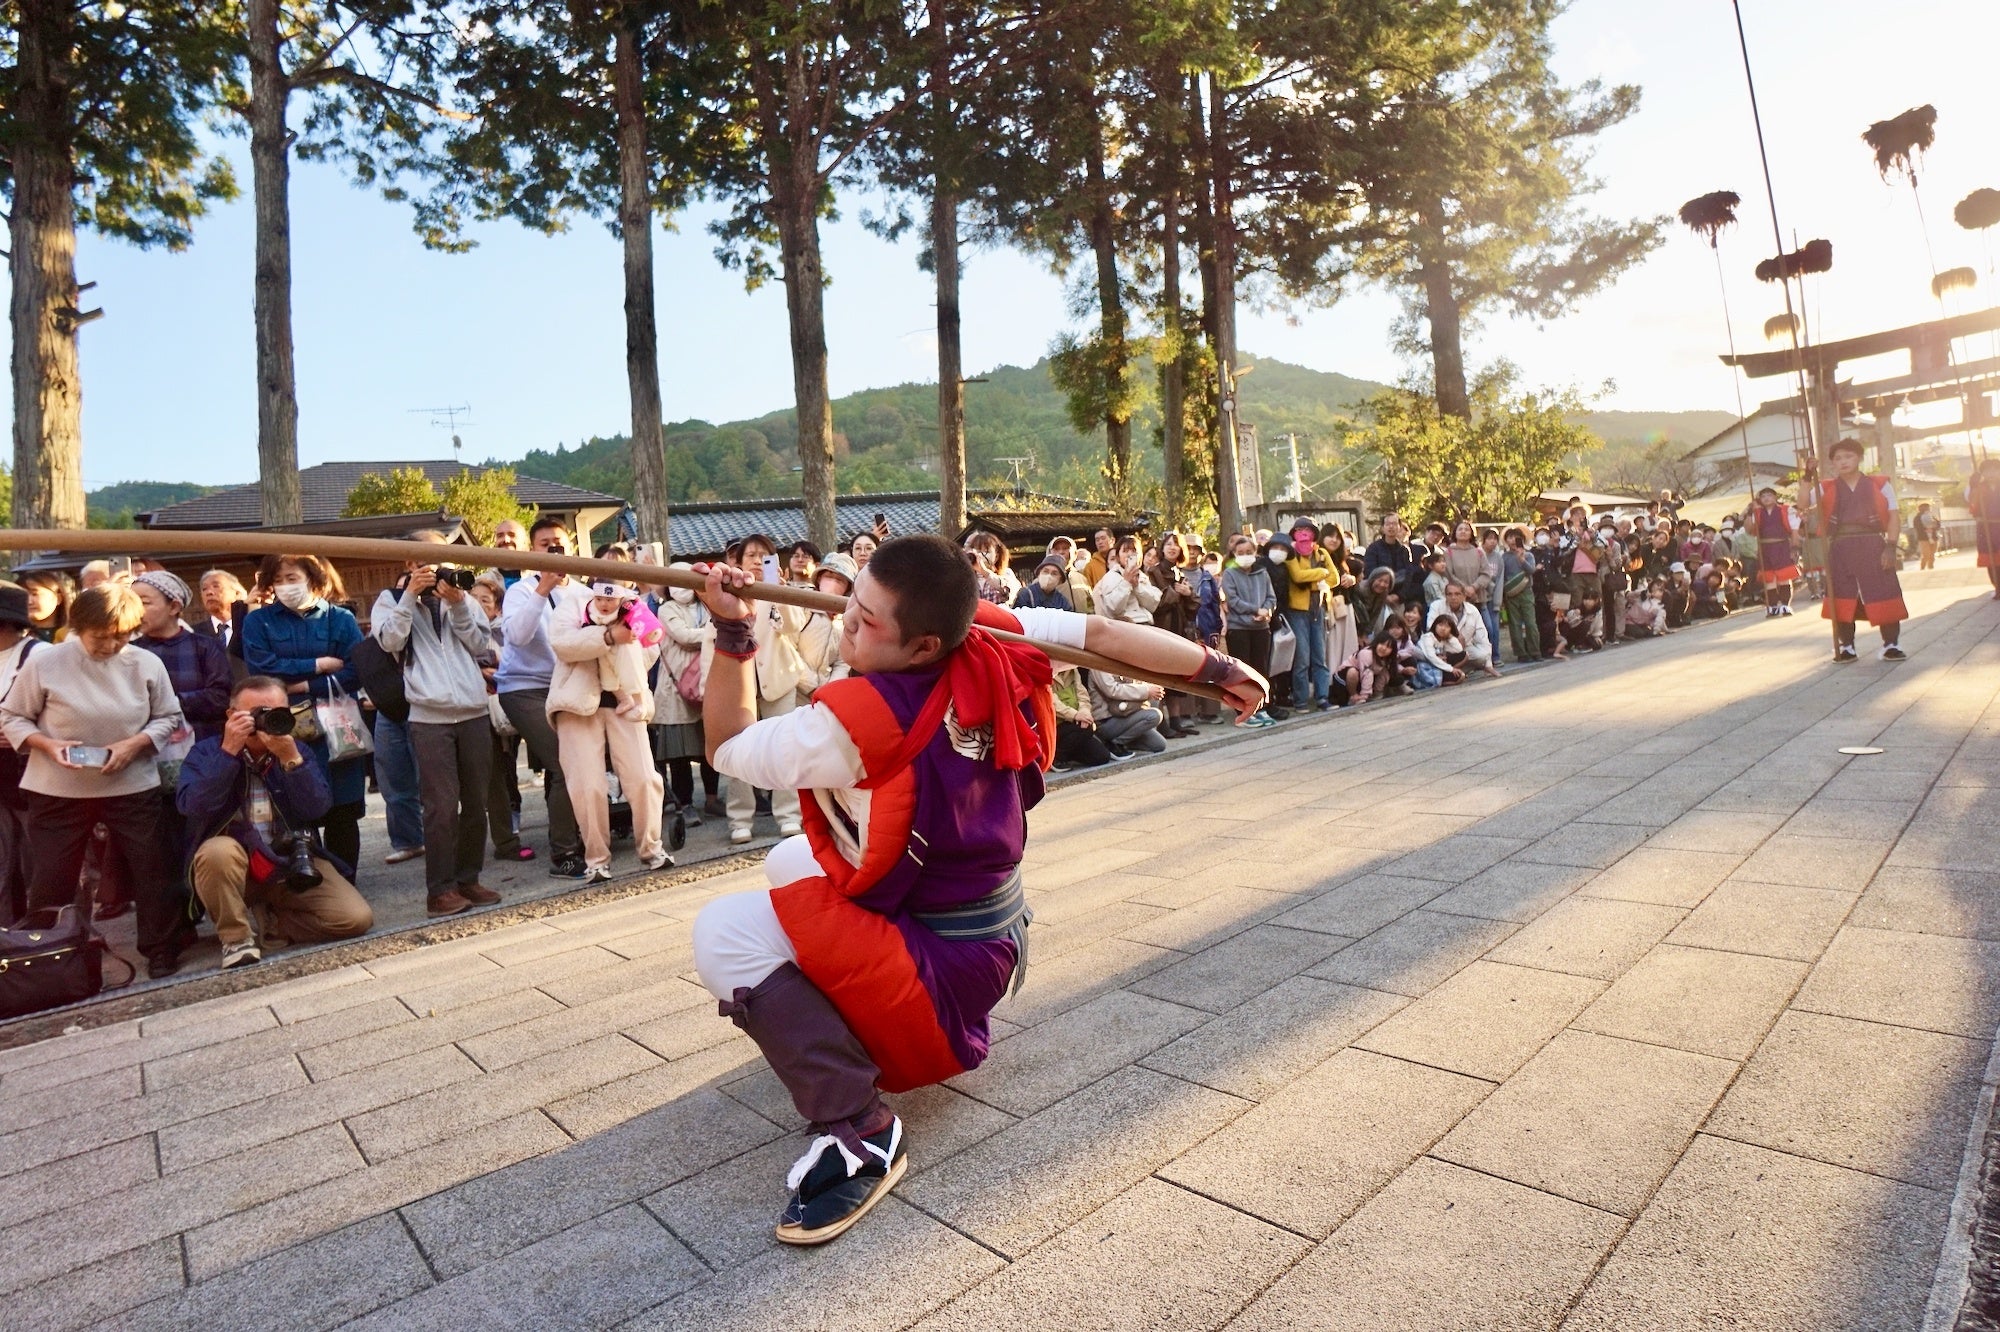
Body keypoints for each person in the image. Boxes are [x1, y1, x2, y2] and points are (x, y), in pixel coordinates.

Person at [686, 534, 1264, 1243]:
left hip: (938, 978)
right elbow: (1105, 635)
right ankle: (837, 1031)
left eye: (867, 621)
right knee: (788, 860)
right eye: (851, 603)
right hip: (992, 937)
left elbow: (725, 742)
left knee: (724, 933)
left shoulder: (849, 726)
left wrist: (732, 631)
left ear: (925, 645)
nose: (845, 624)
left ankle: (860, 1130)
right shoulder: (995, 636)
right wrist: (1219, 666)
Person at [0, 585, 192, 977]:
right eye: (100, 637)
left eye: (121, 636)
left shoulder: (145, 662)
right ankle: (48, 955)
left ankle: (161, 947)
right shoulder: (45, 661)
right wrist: (47, 744)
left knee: (152, 867)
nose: (111, 645)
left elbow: (168, 716)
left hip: (130, 780)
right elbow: (13, 716)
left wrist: (134, 744)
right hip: (58, 785)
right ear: (79, 627)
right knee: (52, 875)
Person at [177, 676, 374, 969]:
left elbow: (317, 809)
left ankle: (271, 924)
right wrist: (228, 753)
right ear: (231, 715)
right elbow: (193, 807)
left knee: (355, 919)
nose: (266, 720)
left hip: (288, 863)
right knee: (217, 852)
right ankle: (236, 938)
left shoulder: (295, 750)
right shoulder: (206, 752)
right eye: (257, 713)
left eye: (277, 712)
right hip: (235, 868)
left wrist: (292, 761)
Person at [374, 531, 504, 915]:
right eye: (425, 559)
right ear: (410, 563)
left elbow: (480, 646)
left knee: (476, 802)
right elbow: (390, 641)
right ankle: (440, 890)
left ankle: (468, 879)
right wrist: (410, 596)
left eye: (442, 557)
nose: (436, 566)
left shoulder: (463, 596)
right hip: (429, 717)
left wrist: (459, 604)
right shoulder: (391, 599)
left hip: (473, 711)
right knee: (441, 806)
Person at [242, 554, 367, 876]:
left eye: (292, 578)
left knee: (343, 811)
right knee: (295, 808)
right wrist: (318, 664)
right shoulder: (258, 621)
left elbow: (356, 671)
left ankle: (346, 882)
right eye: (278, 580)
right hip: (284, 727)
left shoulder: (340, 618)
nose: (285, 586)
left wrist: (302, 684)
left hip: (337, 727)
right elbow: (261, 668)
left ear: (313, 579)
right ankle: (306, 880)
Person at [547, 578, 671, 885]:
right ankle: (596, 860)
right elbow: (562, 644)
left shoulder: (634, 606)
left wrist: (625, 642)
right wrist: (608, 635)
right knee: (587, 786)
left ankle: (652, 848)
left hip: (626, 702)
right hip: (577, 703)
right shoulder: (574, 603)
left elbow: (651, 648)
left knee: (644, 777)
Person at [498, 516, 588, 878]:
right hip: (523, 688)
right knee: (564, 762)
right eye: (544, 544)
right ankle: (564, 853)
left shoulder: (582, 591)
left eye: (558, 543)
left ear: (571, 548)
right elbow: (517, 637)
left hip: (568, 686)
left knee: (575, 762)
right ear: (531, 550)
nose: (552, 549)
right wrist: (542, 588)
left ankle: (582, 837)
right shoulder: (521, 591)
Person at [726, 534, 806, 845]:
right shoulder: (728, 592)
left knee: (784, 749)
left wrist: (779, 591)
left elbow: (793, 626)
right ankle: (739, 819)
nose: (758, 561)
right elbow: (711, 640)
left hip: (778, 679)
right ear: (739, 562)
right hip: (740, 683)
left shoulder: (779, 590)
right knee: (739, 751)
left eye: (764, 556)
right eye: (751, 555)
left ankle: (789, 815)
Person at [1820, 438, 1908, 663]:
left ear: (1859, 457)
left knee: (1884, 590)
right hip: (1840, 546)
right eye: (1838, 458)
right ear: (1832, 463)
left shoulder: (1880, 484)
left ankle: (1891, 644)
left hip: (1873, 543)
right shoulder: (1826, 487)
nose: (1843, 461)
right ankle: (1847, 646)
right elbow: (1802, 503)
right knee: (1841, 594)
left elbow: (1894, 516)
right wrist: (1806, 477)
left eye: (1848, 456)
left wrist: (1891, 546)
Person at [469, 577, 534, 865]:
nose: (477, 604)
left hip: (513, 703)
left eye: (485, 600)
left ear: (497, 607)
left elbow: (518, 661)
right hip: (475, 711)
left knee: (512, 770)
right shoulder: (460, 627)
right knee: (493, 777)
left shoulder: (507, 630)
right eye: (473, 598)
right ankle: (504, 840)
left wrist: (495, 669)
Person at [654, 562, 720, 823]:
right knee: (679, 754)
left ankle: (713, 799)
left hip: (707, 681)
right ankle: (685, 804)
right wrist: (712, 632)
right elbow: (683, 636)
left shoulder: (706, 604)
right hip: (675, 689)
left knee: (709, 748)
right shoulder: (666, 609)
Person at [131, 572, 233, 743]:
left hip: (200, 745)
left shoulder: (205, 647)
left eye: (145, 603)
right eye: (131, 603)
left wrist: (170, 703)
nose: (136, 610)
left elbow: (220, 697)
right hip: (144, 746)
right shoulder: (130, 651)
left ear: (174, 607)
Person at [0, 584, 39, 921]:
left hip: (33, 776)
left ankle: (53, 937)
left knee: (39, 864)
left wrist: (21, 733)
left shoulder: (39, 655)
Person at [1143, 533, 1200, 737]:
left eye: (1176, 544)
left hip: (1180, 629)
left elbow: (1193, 607)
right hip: (1161, 629)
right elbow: (1155, 603)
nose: (1172, 547)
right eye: (1168, 544)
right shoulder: (1153, 572)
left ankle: (1176, 721)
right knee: (1161, 676)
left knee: (1177, 677)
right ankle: (1161, 723)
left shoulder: (1179, 572)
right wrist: (1176, 593)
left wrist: (1188, 594)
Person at [1281, 520, 1338, 711]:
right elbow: (1297, 576)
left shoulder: (1321, 553)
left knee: (1320, 657)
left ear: (1315, 533)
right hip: (1297, 611)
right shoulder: (1291, 554)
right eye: (1300, 530)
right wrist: (1321, 573)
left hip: (1317, 609)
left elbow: (1335, 578)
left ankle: (1322, 698)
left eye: (1308, 530)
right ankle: (1301, 700)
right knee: (1302, 658)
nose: (1304, 533)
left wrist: (1313, 579)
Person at [1049, 664, 1116, 768]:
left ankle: (1067, 753)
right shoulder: (1044, 670)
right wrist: (1075, 715)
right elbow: (1051, 702)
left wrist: (1085, 713)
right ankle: (1055, 757)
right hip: (1056, 725)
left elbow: (1082, 694)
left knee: (1102, 757)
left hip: (1076, 723)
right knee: (1086, 729)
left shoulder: (1072, 669)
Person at [1428, 582, 1501, 677]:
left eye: (1457, 594)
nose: (1453, 597)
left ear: (1464, 596)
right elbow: (1430, 628)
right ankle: (1450, 672)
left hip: (1465, 649)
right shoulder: (1436, 606)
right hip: (1442, 648)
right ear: (1445, 596)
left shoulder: (1472, 610)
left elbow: (1482, 638)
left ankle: (1461, 670)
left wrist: (1488, 666)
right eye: (1449, 594)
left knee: (1482, 656)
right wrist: (1452, 636)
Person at [1093, 535, 1160, 626]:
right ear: (1118, 556)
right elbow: (1113, 608)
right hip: (1125, 625)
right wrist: (1126, 583)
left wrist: (1137, 587)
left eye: (1134, 551)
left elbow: (1152, 605)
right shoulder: (1111, 576)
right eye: (1125, 551)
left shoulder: (1142, 576)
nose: (1129, 554)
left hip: (1146, 622)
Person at [1499, 527, 1539, 664]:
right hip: (1511, 594)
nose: (1513, 540)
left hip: (1526, 592)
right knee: (1514, 624)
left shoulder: (1529, 555)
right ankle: (1521, 653)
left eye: (1516, 537)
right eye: (1510, 537)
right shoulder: (1504, 557)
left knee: (1530, 623)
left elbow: (1532, 570)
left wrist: (1522, 559)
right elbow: (1502, 576)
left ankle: (1535, 651)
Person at [1968, 459, 2000, 600]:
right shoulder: (1979, 488)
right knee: (1991, 559)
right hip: (1986, 527)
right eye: (1987, 471)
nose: (1991, 474)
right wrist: (1973, 487)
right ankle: (1997, 586)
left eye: (1995, 470)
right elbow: (1972, 505)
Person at [1339, 632, 1400, 704]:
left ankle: (1376, 694)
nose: (1384, 648)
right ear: (1376, 643)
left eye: (1388, 647)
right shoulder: (1366, 653)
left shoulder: (1387, 659)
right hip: (1344, 679)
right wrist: (1364, 695)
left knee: (1385, 672)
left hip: (1363, 680)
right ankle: (1354, 697)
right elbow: (1366, 673)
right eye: (1382, 644)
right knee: (1357, 672)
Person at [1412, 614, 1467, 688]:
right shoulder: (1428, 637)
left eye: (1447, 627)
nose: (1443, 629)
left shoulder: (1444, 639)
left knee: (1463, 655)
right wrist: (1451, 669)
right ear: (1435, 626)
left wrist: (1450, 637)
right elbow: (1431, 657)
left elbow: (1458, 650)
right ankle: (1442, 680)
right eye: (1440, 625)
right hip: (1426, 667)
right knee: (1459, 677)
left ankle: (1446, 675)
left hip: (1439, 665)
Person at [19, 569, 70, 642]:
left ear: (58, 598)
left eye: (35, 594)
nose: (29, 601)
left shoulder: (73, 635)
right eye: (23, 595)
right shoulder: (12, 637)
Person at [1910, 502, 1942, 571]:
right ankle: (1922, 568)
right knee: (1926, 554)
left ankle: (1931, 568)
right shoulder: (1917, 518)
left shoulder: (1932, 516)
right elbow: (1917, 527)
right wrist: (1926, 529)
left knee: (1932, 554)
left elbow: (1938, 525)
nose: (1928, 509)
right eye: (1927, 507)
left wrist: (1934, 527)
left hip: (1934, 537)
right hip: (1923, 538)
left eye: (1928, 507)